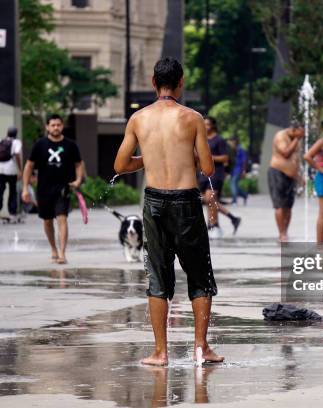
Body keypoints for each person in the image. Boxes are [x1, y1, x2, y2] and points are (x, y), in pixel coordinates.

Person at [114, 57, 223, 366]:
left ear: (153, 83)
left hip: (154, 203)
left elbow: (120, 166)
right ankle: (201, 348)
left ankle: (160, 352)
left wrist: (146, 158)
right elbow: (207, 167)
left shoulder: (138, 119)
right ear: (181, 83)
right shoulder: (193, 118)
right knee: (199, 275)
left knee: (158, 278)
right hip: (186, 201)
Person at [22, 114, 84, 264]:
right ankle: (53, 250)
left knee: (62, 218)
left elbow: (79, 164)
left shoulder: (70, 145)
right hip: (43, 189)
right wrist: (25, 188)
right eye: (53, 125)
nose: (56, 127)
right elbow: (29, 165)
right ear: (47, 127)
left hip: (63, 189)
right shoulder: (40, 145)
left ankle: (62, 253)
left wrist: (78, 180)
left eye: (58, 125)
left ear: (62, 126)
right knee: (48, 221)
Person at [197, 117, 241, 238]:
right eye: (204, 124)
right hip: (204, 174)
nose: (206, 127)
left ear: (213, 126)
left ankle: (213, 225)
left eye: (208, 124)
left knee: (210, 199)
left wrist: (208, 157)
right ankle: (230, 219)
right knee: (208, 200)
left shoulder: (219, 140)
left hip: (216, 173)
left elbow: (225, 158)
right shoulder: (202, 139)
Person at [268, 122, 304, 242]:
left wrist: (300, 176)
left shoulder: (296, 139)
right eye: (301, 133)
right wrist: (297, 139)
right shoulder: (281, 136)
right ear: (294, 130)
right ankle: (281, 233)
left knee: (288, 206)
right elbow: (286, 153)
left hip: (291, 176)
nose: (302, 136)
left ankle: (285, 232)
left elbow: (296, 159)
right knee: (279, 205)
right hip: (277, 172)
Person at [0, 126, 23, 224]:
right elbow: (17, 154)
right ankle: (12, 215)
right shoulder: (16, 142)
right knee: (12, 193)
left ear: (7, 133)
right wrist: (20, 170)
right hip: (11, 170)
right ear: (16, 134)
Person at [228, 136, 248, 205]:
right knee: (234, 185)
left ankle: (234, 201)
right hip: (232, 170)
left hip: (238, 169)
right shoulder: (230, 149)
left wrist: (244, 170)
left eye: (231, 141)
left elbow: (244, 161)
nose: (230, 143)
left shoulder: (240, 149)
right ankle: (244, 195)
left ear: (235, 141)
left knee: (233, 184)